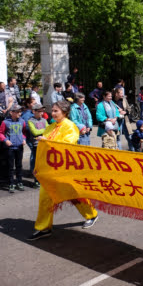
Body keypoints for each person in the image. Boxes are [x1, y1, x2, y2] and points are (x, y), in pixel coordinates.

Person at [28, 100, 99, 241]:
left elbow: (67, 146)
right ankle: (44, 228)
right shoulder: (50, 127)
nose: (52, 113)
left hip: (66, 170)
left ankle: (91, 214)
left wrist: (46, 142)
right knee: (45, 198)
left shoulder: (70, 127)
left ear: (65, 112)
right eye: (52, 110)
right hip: (50, 171)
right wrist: (38, 168)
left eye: (56, 111)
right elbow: (43, 151)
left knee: (75, 195)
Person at [0, 104, 26, 193]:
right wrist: (5, 140)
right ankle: (11, 183)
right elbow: (1, 133)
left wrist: (24, 139)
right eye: (18, 112)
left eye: (20, 111)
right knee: (11, 166)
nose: (20, 113)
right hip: (10, 148)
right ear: (11, 112)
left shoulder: (22, 121)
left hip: (19, 147)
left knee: (19, 165)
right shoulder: (5, 122)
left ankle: (19, 182)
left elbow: (23, 132)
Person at [27, 103, 48, 188]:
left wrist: (44, 132)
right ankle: (36, 180)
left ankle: (43, 179)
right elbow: (34, 132)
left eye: (42, 111)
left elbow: (49, 130)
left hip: (44, 144)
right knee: (37, 164)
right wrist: (44, 130)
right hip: (36, 145)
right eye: (39, 111)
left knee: (44, 163)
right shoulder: (30, 121)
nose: (41, 113)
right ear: (34, 111)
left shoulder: (44, 120)